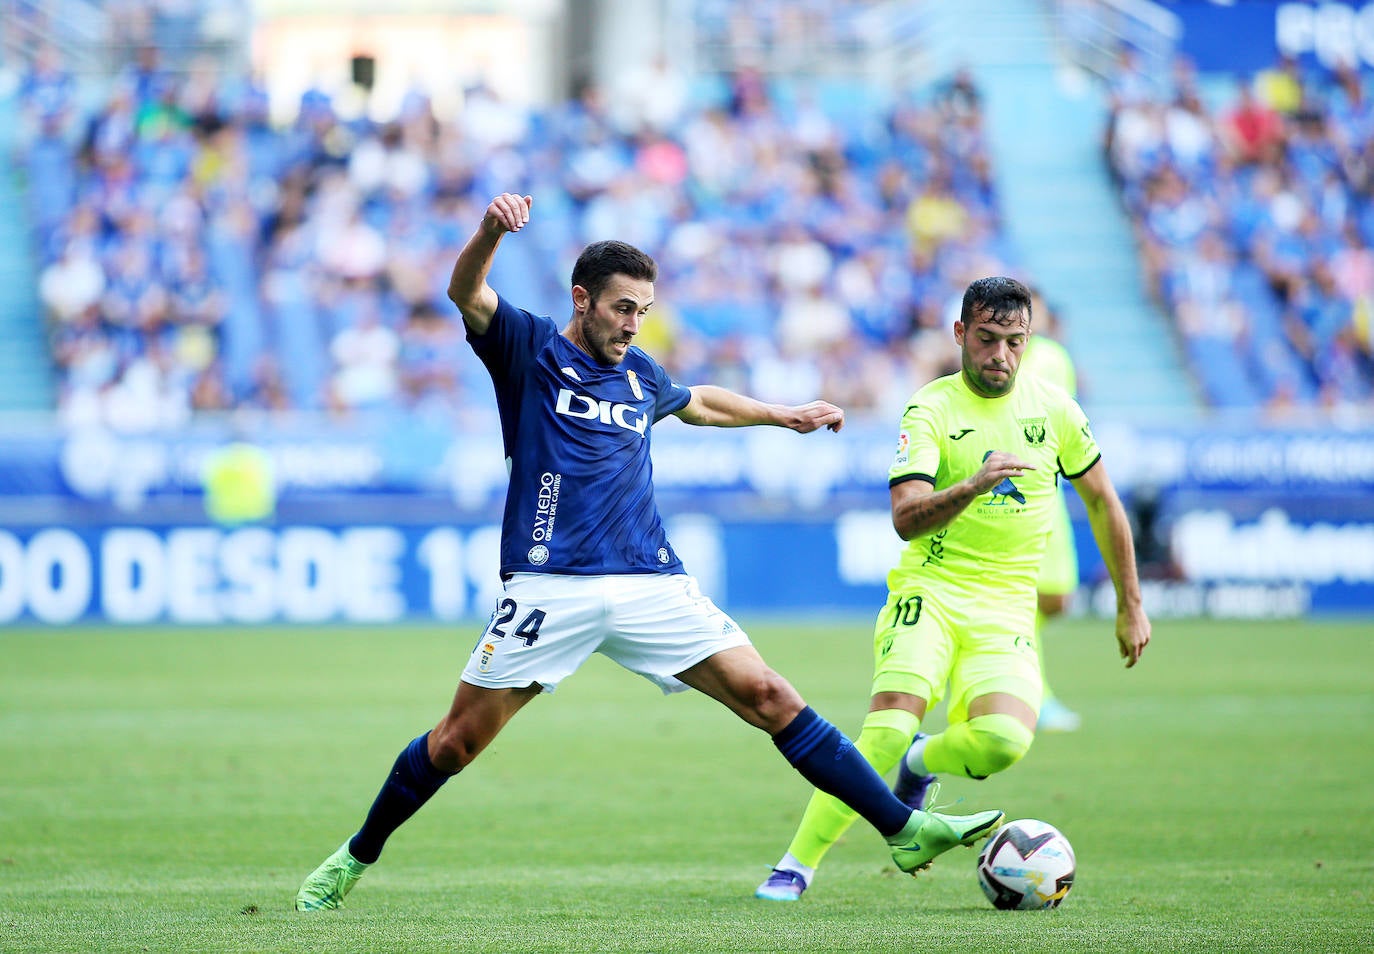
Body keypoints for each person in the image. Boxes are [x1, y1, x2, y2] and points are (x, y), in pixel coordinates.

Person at [294, 193, 1004, 911]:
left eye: (642, 310)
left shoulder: (640, 375)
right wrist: (489, 231)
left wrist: (781, 414)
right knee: (453, 745)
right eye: (622, 308)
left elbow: (700, 403)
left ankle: (903, 827)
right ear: (583, 300)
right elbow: (464, 291)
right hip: (550, 588)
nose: (633, 324)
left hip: (649, 583)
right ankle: (354, 858)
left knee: (770, 696)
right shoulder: (530, 348)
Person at [756, 276, 1149, 902]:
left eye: (1014, 342)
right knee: (883, 726)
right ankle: (794, 866)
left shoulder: (1056, 410)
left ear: (1030, 340)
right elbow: (905, 518)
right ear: (961, 334)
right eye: (988, 339)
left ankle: (921, 762)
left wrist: (1131, 603)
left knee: (1003, 742)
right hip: (931, 592)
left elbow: (1103, 501)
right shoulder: (930, 409)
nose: (1001, 356)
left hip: (1006, 605)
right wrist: (972, 485)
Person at [1018, 290, 1083, 732]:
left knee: (1056, 598)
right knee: (1023, 599)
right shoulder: (1001, 357)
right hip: (1012, 494)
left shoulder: (1052, 357)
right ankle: (1033, 695)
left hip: (1048, 489)